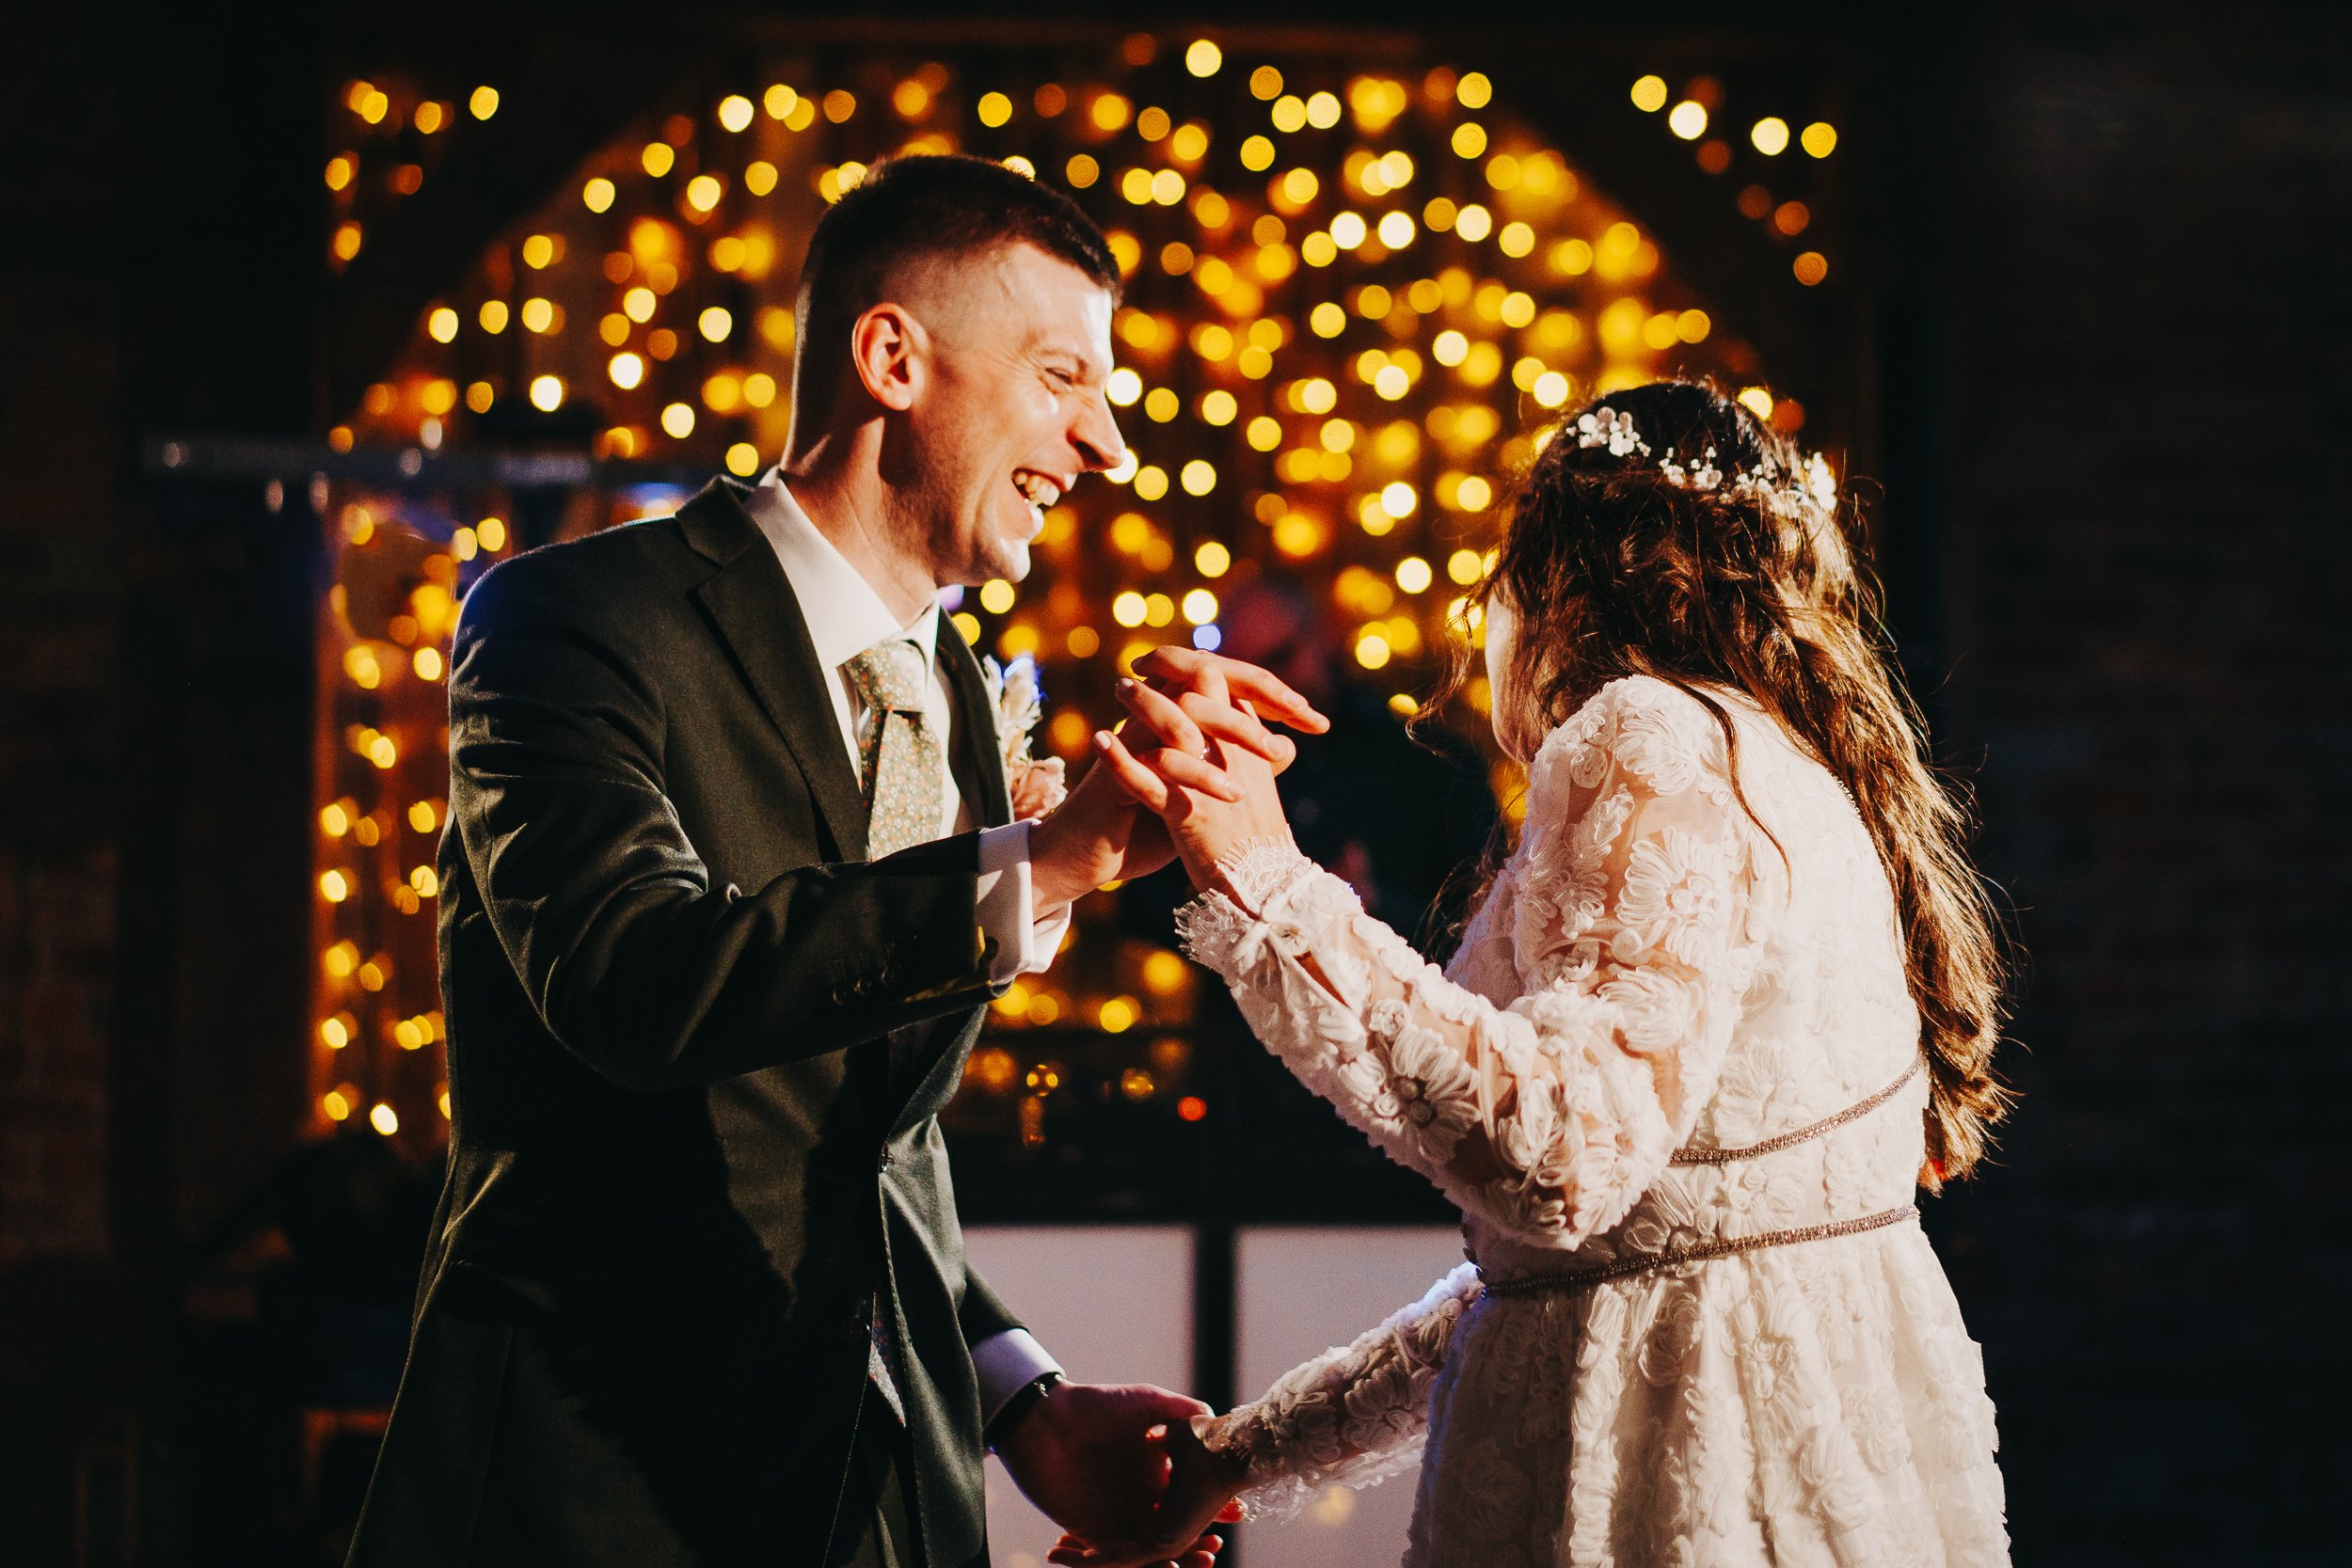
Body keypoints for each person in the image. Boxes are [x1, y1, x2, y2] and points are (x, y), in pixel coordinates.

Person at [345, 154, 1322, 1568]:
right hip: (591, 1490)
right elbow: (635, 986)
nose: (1105, 446)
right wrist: (1038, 865)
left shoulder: (973, 703)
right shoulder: (569, 622)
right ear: (890, 356)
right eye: (1064, 378)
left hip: (883, 1503)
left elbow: (867, 1140)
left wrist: (1019, 1400)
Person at [1075, 380, 2013, 1567]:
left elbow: (1559, 1164)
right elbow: (1567, 1271)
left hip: (1673, 1469)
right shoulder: (1786, 765)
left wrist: (1268, 874)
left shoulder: (1650, 736)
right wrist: (1240, 1455)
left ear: (1557, 567)